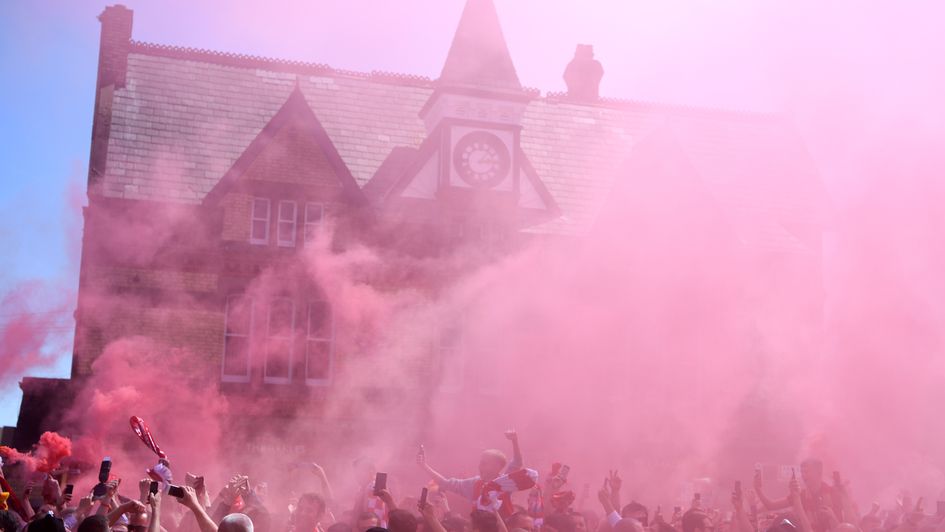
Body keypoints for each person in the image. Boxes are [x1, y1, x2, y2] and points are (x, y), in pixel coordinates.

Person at [418, 432, 537, 517]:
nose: (480, 467)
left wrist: (514, 441)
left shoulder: (505, 481)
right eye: (480, 463)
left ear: (497, 466)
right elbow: (446, 483)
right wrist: (424, 466)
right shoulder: (473, 483)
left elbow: (517, 462)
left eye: (484, 463)